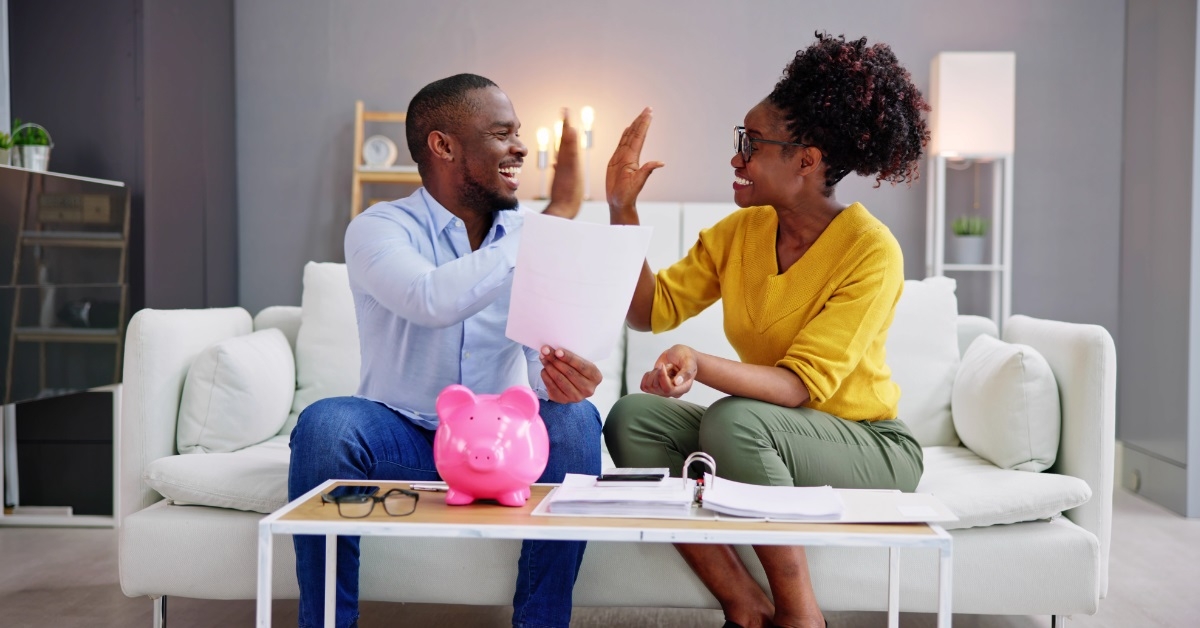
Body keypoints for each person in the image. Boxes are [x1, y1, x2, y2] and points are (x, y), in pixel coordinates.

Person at [602, 33, 929, 628]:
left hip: (869, 445)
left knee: (735, 419)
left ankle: (802, 615)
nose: (736, 158)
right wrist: (622, 209)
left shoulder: (870, 250)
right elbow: (649, 311)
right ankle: (745, 604)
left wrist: (698, 362)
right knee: (632, 418)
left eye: (750, 144)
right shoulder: (742, 231)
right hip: (770, 434)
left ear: (806, 160)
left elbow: (797, 387)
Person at [288, 73, 603, 628]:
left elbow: (540, 367)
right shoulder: (379, 228)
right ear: (443, 145)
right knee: (326, 425)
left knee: (577, 421)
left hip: (498, 442)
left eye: (519, 133)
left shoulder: (530, 234)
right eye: (502, 134)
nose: (520, 148)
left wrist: (562, 378)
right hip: (401, 436)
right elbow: (429, 298)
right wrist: (545, 226)